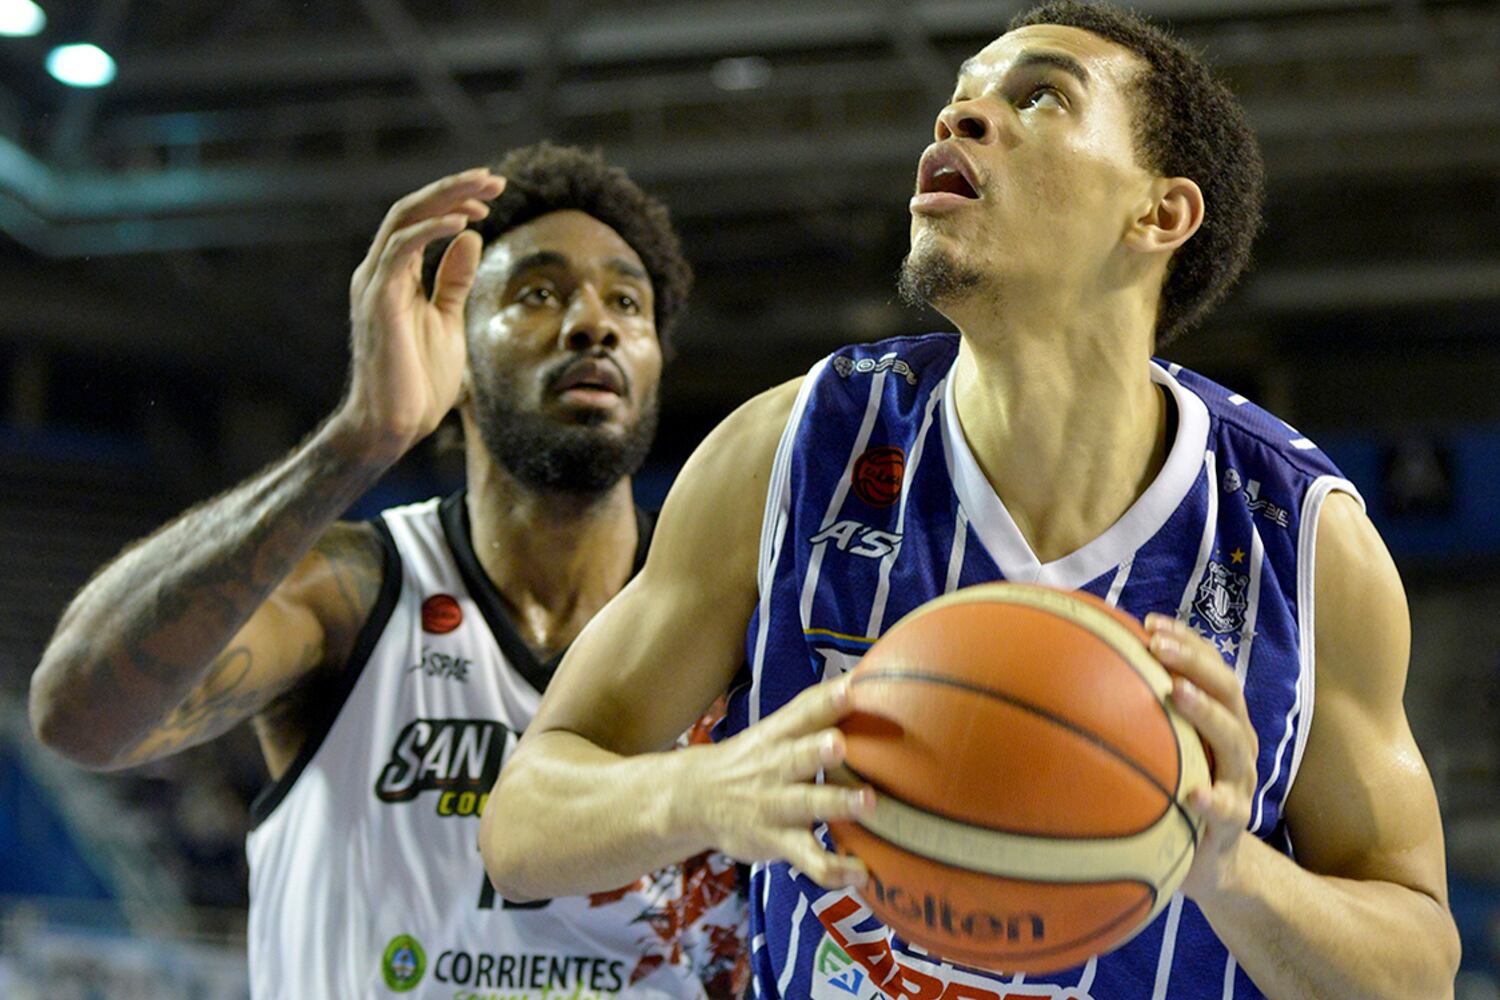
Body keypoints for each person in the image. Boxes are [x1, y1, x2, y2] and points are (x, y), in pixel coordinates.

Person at [479, 4, 1461, 1000]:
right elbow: (522, 826)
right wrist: (700, 791)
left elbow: (1418, 970)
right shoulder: (792, 451)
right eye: (958, 101)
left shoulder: (1301, 541)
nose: (961, 119)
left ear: (1159, 214)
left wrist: (1227, 867)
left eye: (1037, 95)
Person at [29, 143, 748, 999]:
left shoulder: (738, 616)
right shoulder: (356, 590)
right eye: (539, 293)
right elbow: (78, 716)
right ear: (458, 352)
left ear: (657, 361)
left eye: (626, 301)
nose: (594, 322)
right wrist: (358, 439)